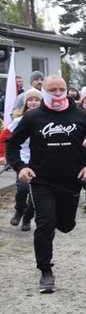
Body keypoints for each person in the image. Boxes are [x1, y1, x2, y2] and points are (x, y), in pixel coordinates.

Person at [6, 76, 86, 293]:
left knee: (66, 225)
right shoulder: (33, 117)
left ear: (67, 91)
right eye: (52, 90)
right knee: (45, 223)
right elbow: (12, 144)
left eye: (61, 89)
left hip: (71, 180)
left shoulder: (78, 115)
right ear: (43, 91)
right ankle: (45, 271)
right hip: (42, 180)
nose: (58, 94)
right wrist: (20, 167)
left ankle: (59, 219)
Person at [0, 88, 42, 231]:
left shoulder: (45, 119)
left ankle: (27, 218)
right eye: (30, 100)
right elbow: (5, 138)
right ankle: (19, 210)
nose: (33, 102)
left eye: (37, 99)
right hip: (22, 160)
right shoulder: (18, 120)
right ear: (26, 103)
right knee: (23, 189)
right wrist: (4, 155)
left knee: (35, 194)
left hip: (40, 161)